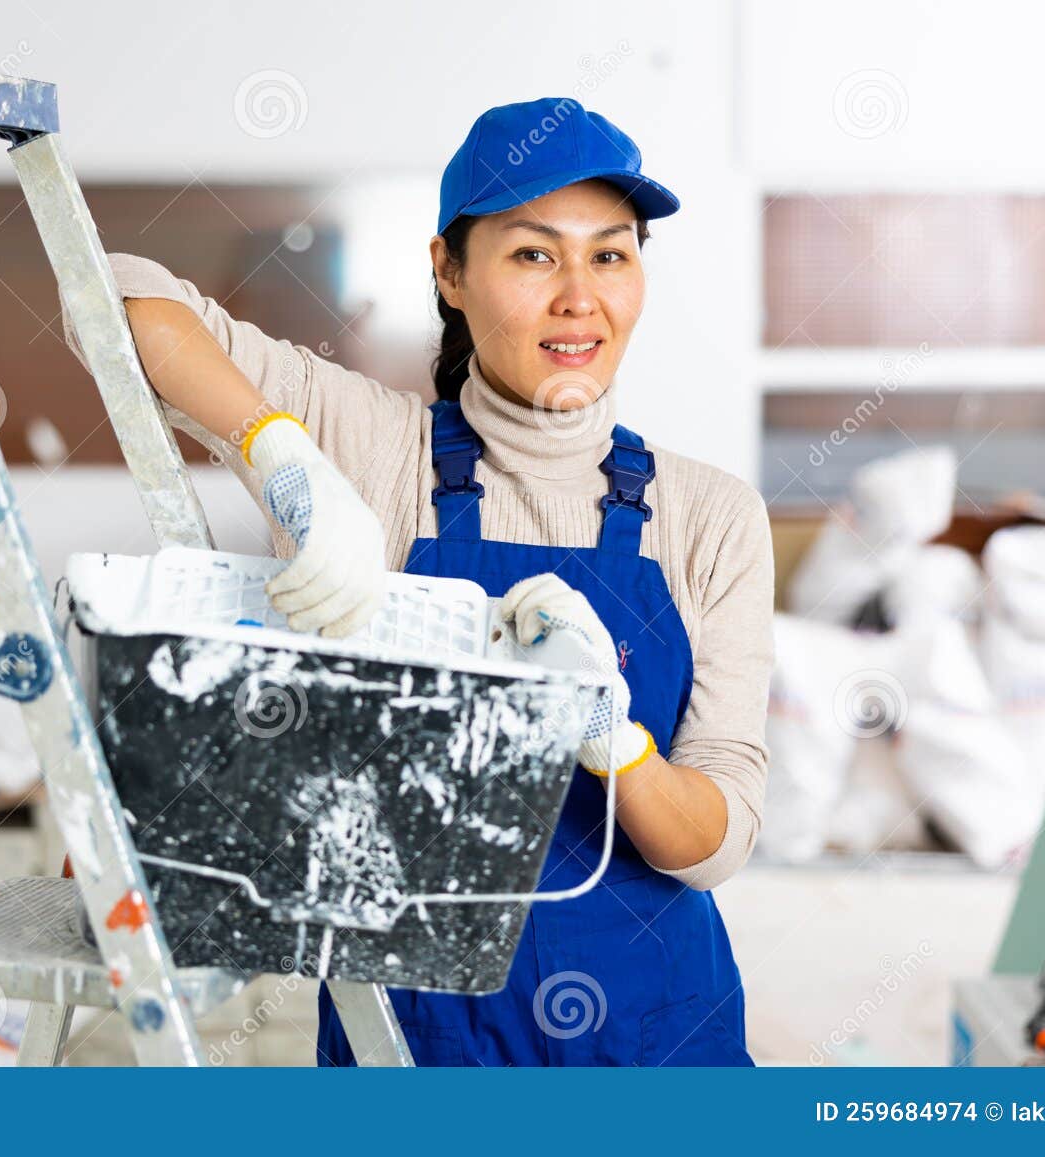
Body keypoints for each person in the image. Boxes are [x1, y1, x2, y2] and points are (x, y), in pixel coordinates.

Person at [61, 97, 774, 1066]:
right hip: (412, 1030)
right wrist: (284, 456)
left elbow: (713, 842)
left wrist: (610, 732)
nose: (579, 296)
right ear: (448, 270)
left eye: (609, 253)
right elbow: (112, 294)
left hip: (652, 1033)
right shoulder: (368, 444)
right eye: (532, 253)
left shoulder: (711, 513)